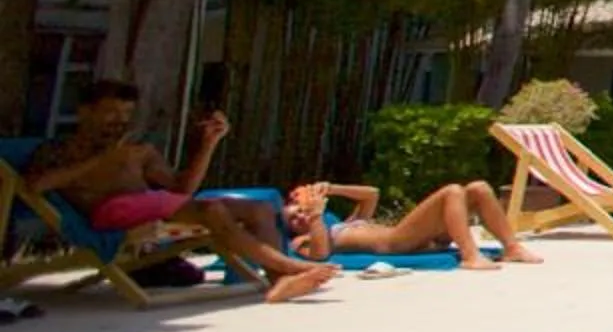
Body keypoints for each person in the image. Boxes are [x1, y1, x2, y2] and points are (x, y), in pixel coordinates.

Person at [26, 79, 336, 303]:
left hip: (152, 205)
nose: (119, 122)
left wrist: (209, 144)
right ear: (84, 112)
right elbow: (36, 185)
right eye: (111, 112)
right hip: (109, 213)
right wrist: (102, 159)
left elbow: (183, 188)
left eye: (125, 114)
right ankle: (287, 266)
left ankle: (279, 281)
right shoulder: (60, 150)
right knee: (211, 210)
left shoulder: (139, 152)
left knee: (260, 209)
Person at [285, 178, 540, 270]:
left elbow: (372, 194)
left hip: (415, 237)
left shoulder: (344, 224)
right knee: (452, 191)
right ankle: (470, 256)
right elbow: (319, 254)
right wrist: (315, 215)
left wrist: (332, 188)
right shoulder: (302, 241)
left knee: (479, 188)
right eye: (293, 219)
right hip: (397, 242)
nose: (299, 216)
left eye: (299, 210)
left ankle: (512, 247)